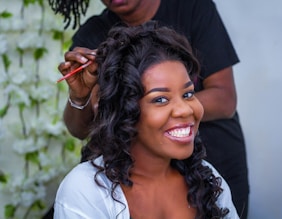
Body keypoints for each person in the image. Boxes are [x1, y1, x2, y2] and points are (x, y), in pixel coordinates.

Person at [50, 0, 249, 218]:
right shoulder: (88, 192)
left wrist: (163, 108)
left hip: (203, 164)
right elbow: (80, 128)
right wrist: (80, 96)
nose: (183, 109)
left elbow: (224, 98)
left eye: (188, 93)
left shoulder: (212, 182)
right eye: (160, 99)